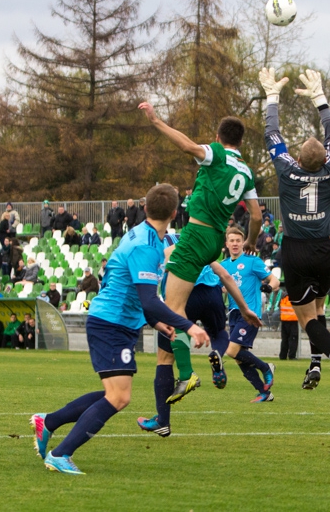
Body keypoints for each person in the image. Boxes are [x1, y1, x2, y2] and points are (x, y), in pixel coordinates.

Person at [28, 184, 209, 475]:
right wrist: (189, 326)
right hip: (110, 324)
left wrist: (155, 322)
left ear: (145, 208)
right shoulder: (145, 246)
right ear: (176, 213)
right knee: (119, 397)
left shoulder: (147, 236)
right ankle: (60, 454)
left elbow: (138, 295)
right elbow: (148, 298)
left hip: (116, 323)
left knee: (112, 393)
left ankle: (48, 422)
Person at [137, 98, 261, 404]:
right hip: (215, 239)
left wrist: (156, 121)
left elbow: (188, 146)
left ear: (219, 138)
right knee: (173, 308)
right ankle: (181, 374)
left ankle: (188, 373)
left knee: (172, 309)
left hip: (196, 235)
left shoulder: (215, 154)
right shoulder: (245, 171)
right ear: (241, 141)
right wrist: (251, 242)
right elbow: (256, 216)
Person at [259, 67, 330, 393]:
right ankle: (315, 364)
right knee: (318, 309)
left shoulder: (288, 170)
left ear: (299, 159)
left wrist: (272, 97)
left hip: (296, 250)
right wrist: (320, 98)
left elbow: (272, 135)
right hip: (325, 250)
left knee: (307, 319)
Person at [216, 227, 280, 402]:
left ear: (243, 243)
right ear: (227, 244)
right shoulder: (223, 266)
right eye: (232, 241)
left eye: (238, 240)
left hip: (250, 313)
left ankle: (266, 367)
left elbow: (274, 279)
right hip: (233, 313)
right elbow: (220, 287)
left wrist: (269, 287)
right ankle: (264, 392)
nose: (235, 244)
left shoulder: (252, 261)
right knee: (238, 357)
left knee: (232, 350)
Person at [278, 291, 298, 360]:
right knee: (293, 339)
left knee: (284, 339)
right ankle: (292, 356)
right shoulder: (294, 297)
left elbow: (279, 306)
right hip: (293, 320)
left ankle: (282, 356)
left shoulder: (283, 297)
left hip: (284, 320)